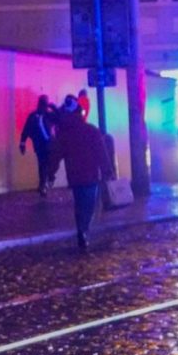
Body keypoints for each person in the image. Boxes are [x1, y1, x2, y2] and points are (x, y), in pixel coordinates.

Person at [48, 95, 112, 250]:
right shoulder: (91, 131)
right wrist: (107, 171)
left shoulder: (64, 135)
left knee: (79, 204)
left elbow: (56, 155)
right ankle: (84, 230)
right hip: (90, 174)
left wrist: (51, 174)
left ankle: (81, 231)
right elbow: (101, 152)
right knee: (89, 205)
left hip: (74, 174)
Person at [20, 95, 57, 197]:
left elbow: (59, 118)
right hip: (39, 145)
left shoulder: (49, 115)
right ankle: (43, 185)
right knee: (42, 165)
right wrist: (22, 143)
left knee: (49, 163)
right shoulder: (33, 116)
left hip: (49, 144)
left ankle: (49, 178)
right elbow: (26, 130)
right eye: (43, 103)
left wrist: (54, 108)